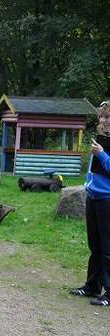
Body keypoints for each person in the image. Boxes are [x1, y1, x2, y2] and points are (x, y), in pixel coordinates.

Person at [70, 100, 110, 306]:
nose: (103, 120)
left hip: (107, 199)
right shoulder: (101, 139)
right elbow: (94, 169)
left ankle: (109, 292)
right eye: (102, 117)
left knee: (107, 247)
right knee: (94, 245)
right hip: (93, 196)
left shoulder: (103, 147)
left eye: (108, 117)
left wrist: (102, 154)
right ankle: (93, 286)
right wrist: (88, 184)